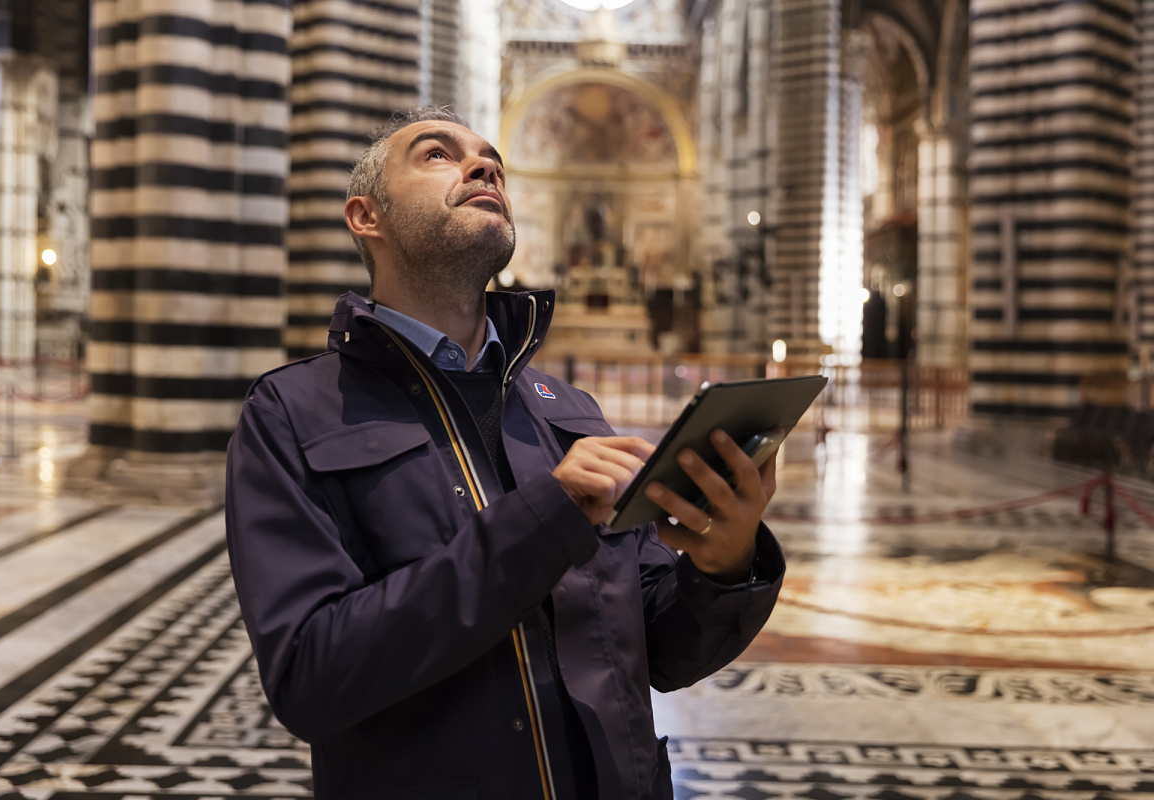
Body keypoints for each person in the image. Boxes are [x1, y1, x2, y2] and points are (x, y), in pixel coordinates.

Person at [225, 106, 785, 800]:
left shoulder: (568, 410)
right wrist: (545, 517)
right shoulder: (293, 413)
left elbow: (662, 649)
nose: (483, 166)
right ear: (366, 217)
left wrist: (724, 563)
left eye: (493, 159)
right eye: (436, 155)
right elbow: (310, 676)